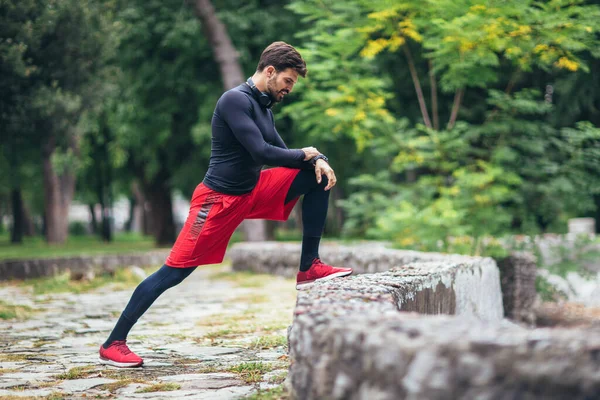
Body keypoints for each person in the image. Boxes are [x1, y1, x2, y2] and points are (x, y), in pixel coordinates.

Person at [98, 41, 353, 368]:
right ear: (270, 72)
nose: (290, 88)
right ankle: (113, 343)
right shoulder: (235, 100)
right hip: (217, 201)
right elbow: (261, 152)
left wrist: (317, 159)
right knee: (174, 272)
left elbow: (287, 156)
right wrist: (308, 153)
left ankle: (309, 267)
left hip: (251, 191)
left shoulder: (264, 109)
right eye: (288, 81)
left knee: (318, 177)